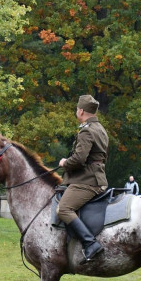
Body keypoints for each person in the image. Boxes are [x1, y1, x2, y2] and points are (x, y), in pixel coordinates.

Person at [57, 94, 108, 262]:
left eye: (76, 109)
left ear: (81, 111)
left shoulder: (87, 131)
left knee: (63, 209)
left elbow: (79, 159)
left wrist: (65, 163)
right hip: (97, 177)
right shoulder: (100, 129)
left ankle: (90, 244)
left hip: (87, 181)